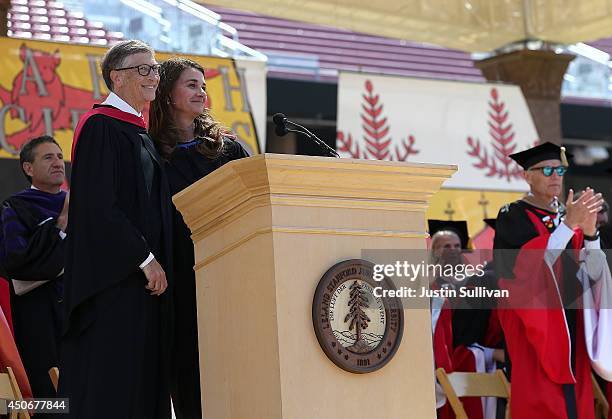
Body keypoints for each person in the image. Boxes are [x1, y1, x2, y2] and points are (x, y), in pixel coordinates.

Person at [58, 40, 173, 419]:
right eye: (144, 69)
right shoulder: (100, 127)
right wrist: (145, 258)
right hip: (114, 283)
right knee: (112, 387)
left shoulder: (138, 131)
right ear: (116, 77)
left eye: (155, 68)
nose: (153, 76)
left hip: (138, 287)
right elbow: (99, 208)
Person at [149, 57, 249, 418]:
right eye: (191, 85)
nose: (201, 91)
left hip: (234, 272)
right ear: (167, 93)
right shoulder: (152, 153)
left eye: (203, 86)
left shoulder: (226, 149)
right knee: (191, 372)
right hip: (181, 276)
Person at [493, 142, 611, 419]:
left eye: (560, 169)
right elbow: (523, 271)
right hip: (536, 326)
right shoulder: (513, 215)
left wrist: (591, 235)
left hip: (572, 326)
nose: (556, 175)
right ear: (527, 176)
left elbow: (591, 274)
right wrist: (570, 226)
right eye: (546, 170)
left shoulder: (567, 216)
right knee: (543, 402)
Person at [0, 135, 67, 398]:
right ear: (28, 168)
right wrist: (60, 227)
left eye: (60, 157)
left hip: (82, 314)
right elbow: (17, 264)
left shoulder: (83, 203)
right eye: (48, 157)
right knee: (49, 400)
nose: (58, 163)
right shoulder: (16, 208)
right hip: (39, 320)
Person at [428, 220, 503, 419]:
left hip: (474, 355)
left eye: (456, 246)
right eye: (446, 246)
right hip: (446, 359)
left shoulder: (475, 282)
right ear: (434, 251)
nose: (453, 250)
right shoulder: (430, 285)